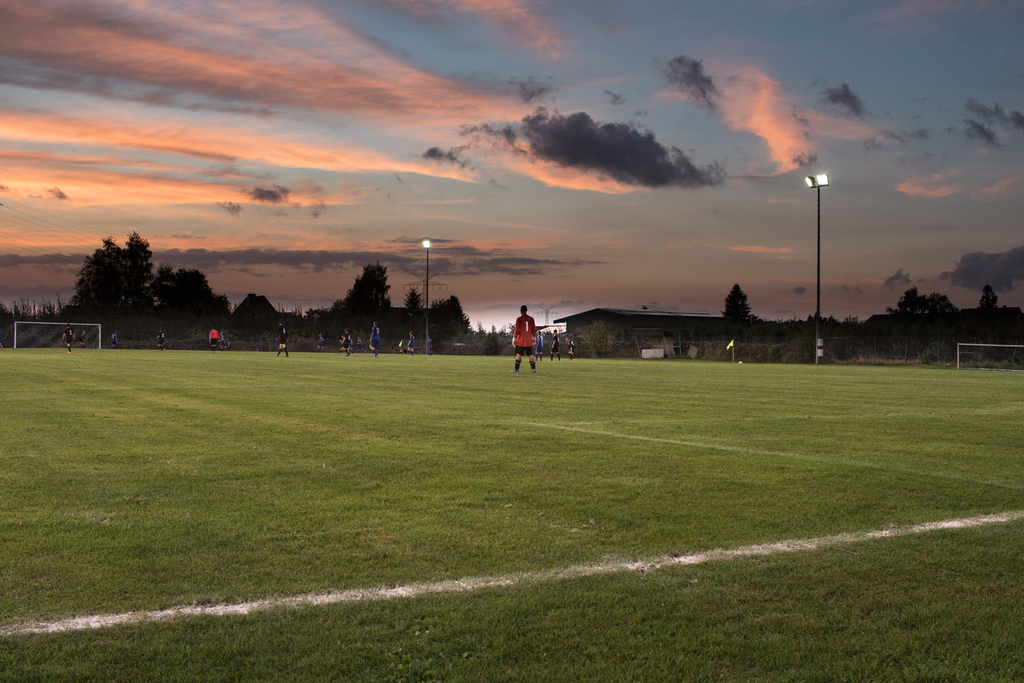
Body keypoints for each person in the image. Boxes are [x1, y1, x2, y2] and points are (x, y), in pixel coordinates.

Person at [512, 305, 537, 373]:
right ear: (526, 310)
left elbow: (516, 330)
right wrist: (534, 338)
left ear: (520, 311)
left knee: (519, 355)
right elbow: (534, 330)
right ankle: (533, 369)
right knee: (530, 354)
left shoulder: (519, 319)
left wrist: (514, 338)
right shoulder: (531, 319)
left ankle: (517, 369)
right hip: (529, 340)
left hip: (521, 340)